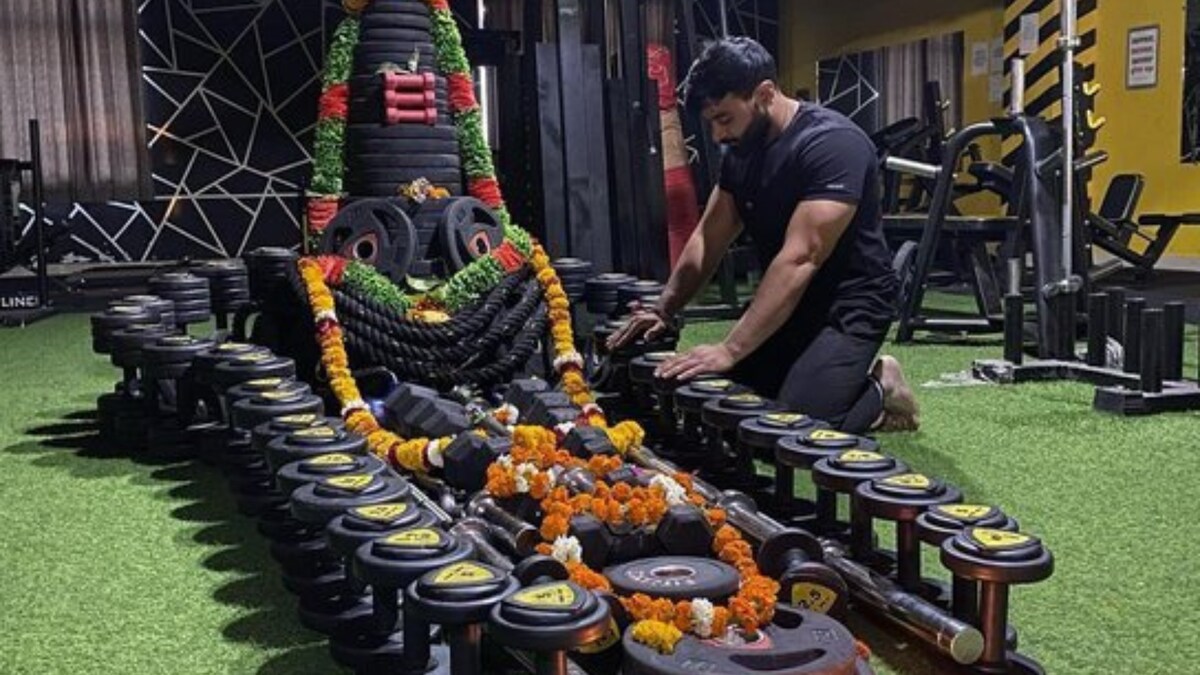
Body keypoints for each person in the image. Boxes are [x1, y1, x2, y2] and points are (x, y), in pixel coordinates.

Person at [607, 37, 918, 432]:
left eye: (725, 119)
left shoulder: (832, 146)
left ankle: (881, 385)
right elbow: (709, 238)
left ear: (765, 93)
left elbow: (801, 257)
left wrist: (731, 347)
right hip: (792, 301)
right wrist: (663, 308)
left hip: (849, 305)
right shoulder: (742, 153)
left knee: (794, 426)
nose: (719, 136)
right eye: (712, 123)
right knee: (724, 402)